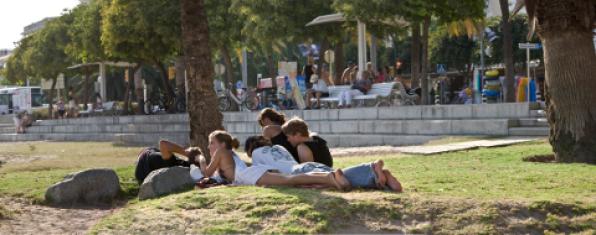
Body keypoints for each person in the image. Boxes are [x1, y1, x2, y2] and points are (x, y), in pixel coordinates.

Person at [198, 130, 350, 190]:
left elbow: (206, 173)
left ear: (222, 144)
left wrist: (200, 158)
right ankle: (328, 179)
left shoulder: (220, 152)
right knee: (291, 180)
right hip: (251, 175)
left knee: (290, 180)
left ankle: (330, 178)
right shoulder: (230, 154)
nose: (209, 146)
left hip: (251, 176)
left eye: (212, 142)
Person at [244, 136, 402, 191]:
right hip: (307, 166)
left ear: (251, 149)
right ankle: (379, 177)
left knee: (336, 178)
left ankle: (371, 168)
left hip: (298, 173)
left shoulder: (257, 154)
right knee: (341, 177)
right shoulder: (278, 147)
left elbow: (266, 174)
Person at [134, 140, 202, 184]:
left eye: (189, 149)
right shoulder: (180, 164)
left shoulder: (172, 162)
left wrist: (186, 153)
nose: (187, 148)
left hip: (143, 163)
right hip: (142, 173)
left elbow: (163, 143)